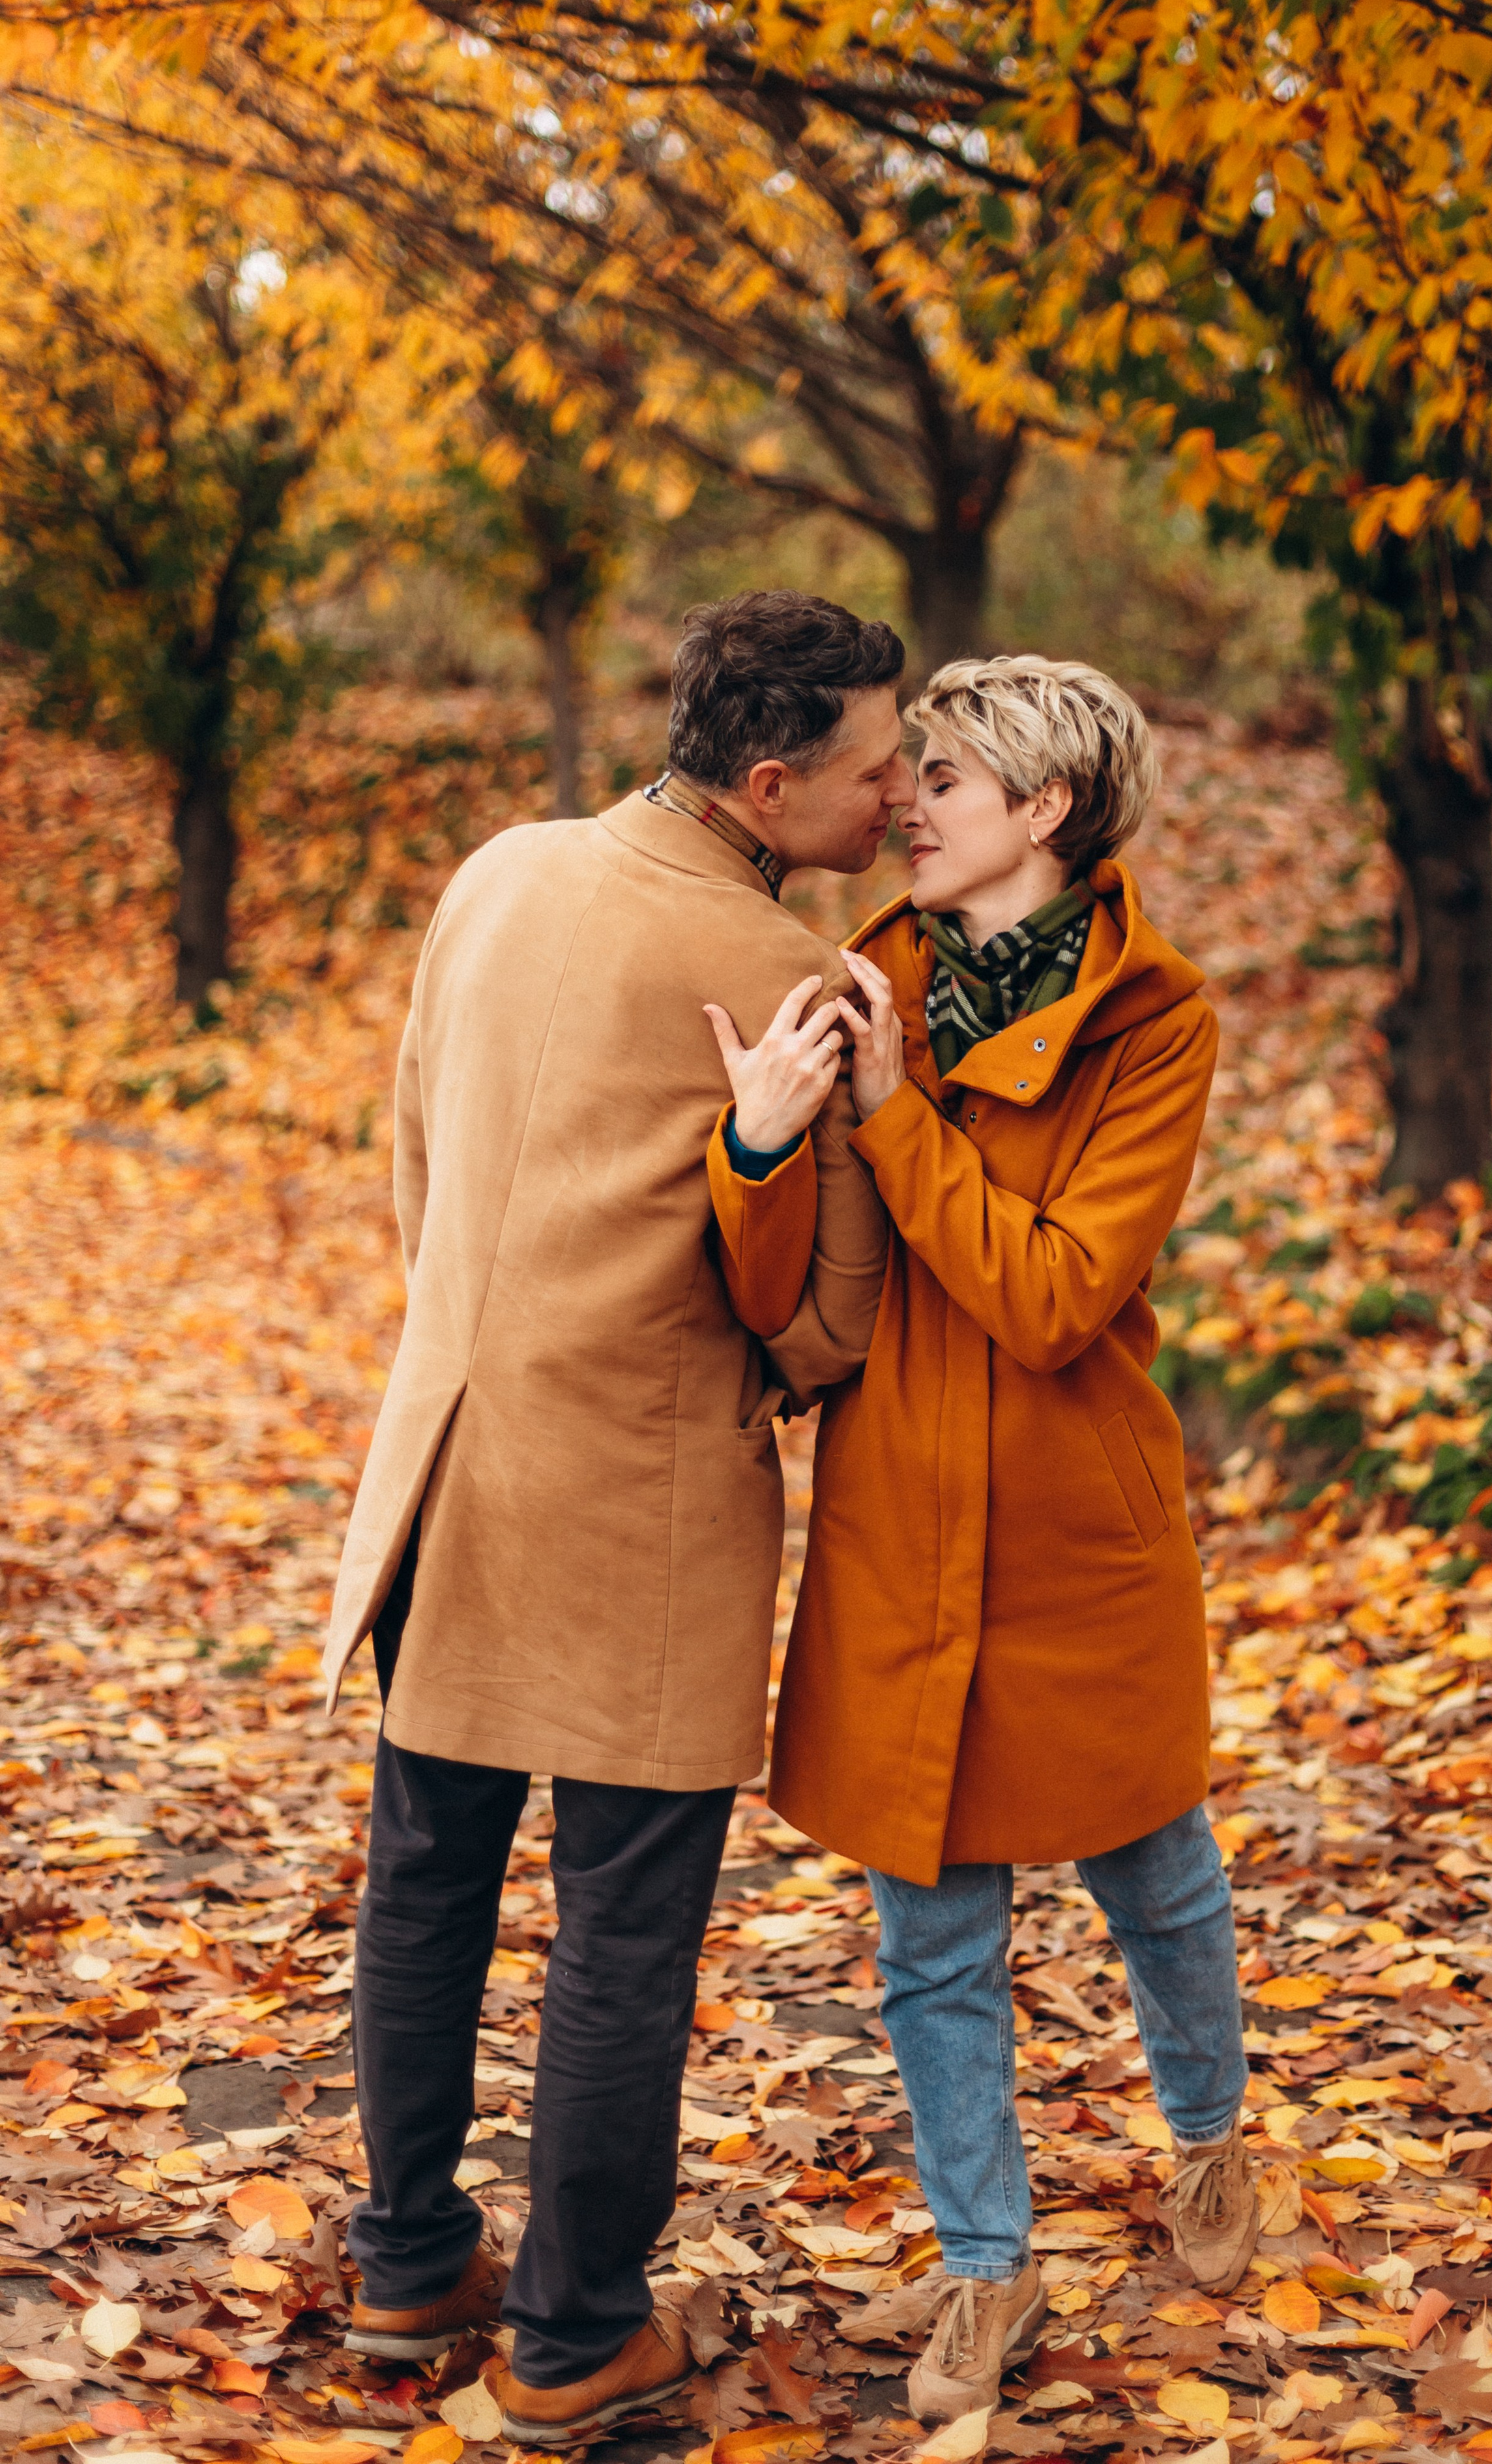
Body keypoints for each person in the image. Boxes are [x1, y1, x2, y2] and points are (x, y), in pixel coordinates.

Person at [319, 591, 908, 2447]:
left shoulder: (498, 874)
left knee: (427, 1872)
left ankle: (409, 2260)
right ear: (769, 778)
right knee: (622, 1928)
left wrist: (472, 1332)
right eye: (877, 768)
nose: (899, 798)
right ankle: (574, 2335)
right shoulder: (788, 975)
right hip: (641, 1507)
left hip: (450, 1462)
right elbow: (818, 1326)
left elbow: (414, 1150)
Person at [713, 655, 1250, 2427]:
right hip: (897, 1517)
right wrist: (761, 1140)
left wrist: (892, 1115)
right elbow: (781, 1270)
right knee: (928, 1940)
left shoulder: (1154, 1021)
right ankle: (986, 2269)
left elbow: (1052, 1292)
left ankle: (1213, 2138)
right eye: (911, 769)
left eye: (946, 776)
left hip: (1074, 1515)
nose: (905, 802)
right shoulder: (865, 977)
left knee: (1152, 1878)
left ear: (1047, 812)